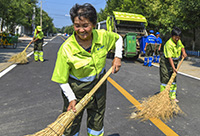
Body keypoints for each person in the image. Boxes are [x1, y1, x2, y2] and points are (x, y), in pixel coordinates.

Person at [51, 3, 122, 136]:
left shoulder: (102, 36)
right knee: (71, 126)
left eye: (85, 26)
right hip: (75, 89)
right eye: (77, 25)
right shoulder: (66, 49)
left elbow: (118, 39)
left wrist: (118, 56)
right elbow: (61, 79)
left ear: (94, 24)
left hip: (98, 86)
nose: (81, 30)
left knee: (97, 121)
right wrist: (72, 98)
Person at [159, 27, 187, 102]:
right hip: (166, 62)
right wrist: (174, 68)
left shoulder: (178, 41)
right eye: (176, 37)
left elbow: (182, 47)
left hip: (175, 62)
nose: (177, 39)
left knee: (173, 79)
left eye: (178, 37)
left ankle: (172, 96)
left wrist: (183, 52)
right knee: (165, 78)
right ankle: (163, 96)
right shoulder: (169, 44)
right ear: (172, 36)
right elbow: (170, 58)